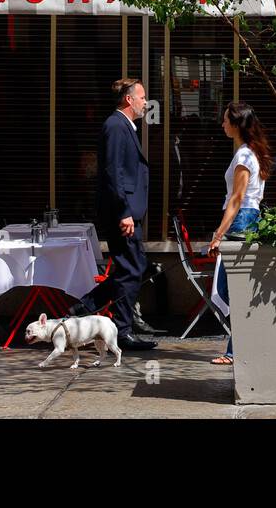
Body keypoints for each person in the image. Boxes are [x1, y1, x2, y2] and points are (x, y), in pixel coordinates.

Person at [89, 79, 155, 351]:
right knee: (132, 268)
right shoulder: (116, 126)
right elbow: (112, 173)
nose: (145, 103)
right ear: (129, 100)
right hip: (122, 214)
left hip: (127, 211)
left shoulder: (124, 126)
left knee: (133, 267)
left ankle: (85, 306)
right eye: (141, 97)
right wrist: (124, 212)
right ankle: (122, 329)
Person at [209, 102, 273, 366]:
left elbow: (237, 199)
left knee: (231, 288)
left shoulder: (245, 156)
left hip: (242, 220)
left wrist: (219, 235)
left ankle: (236, 351)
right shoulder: (249, 153)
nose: (222, 124)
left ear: (236, 124)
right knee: (235, 288)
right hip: (246, 219)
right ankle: (237, 348)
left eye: (225, 120)